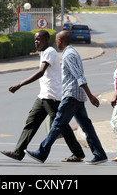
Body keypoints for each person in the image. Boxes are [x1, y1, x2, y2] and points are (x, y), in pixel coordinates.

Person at [1, 30, 85, 162]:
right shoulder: (45, 52)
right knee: (31, 122)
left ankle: (78, 152)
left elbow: (41, 72)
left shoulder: (50, 52)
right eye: (35, 39)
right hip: (43, 96)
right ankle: (18, 152)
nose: (36, 42)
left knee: (61, 125)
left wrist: (20, 84)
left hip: (52, 96)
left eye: (39, 39)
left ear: (46, 40)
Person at [25, 30, 107, 165]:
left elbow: (79, 77)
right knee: (86, 126)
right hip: (77, 96)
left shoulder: (69, 55)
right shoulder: (72, 52)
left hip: (72, 95)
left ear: (61, 41)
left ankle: (41, 152)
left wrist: (90, 95)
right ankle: (99, 154)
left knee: (57, 124)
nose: (55, 43)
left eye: (57, 40)